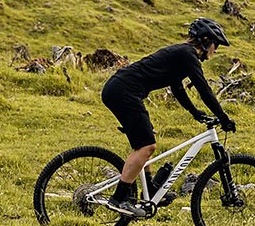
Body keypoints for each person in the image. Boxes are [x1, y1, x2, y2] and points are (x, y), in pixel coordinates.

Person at [100, 17, 236, 215]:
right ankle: (118, 198)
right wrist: (223, 117)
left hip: (120, 89)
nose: (215, 50)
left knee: (145, 143)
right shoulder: (188, 54)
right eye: (216, 45)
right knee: (147, 146)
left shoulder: (182, 54)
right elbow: (204, 89)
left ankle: (152, 190)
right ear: (206, 40)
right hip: (124, 91)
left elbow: (177, 88)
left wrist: (195, 112)